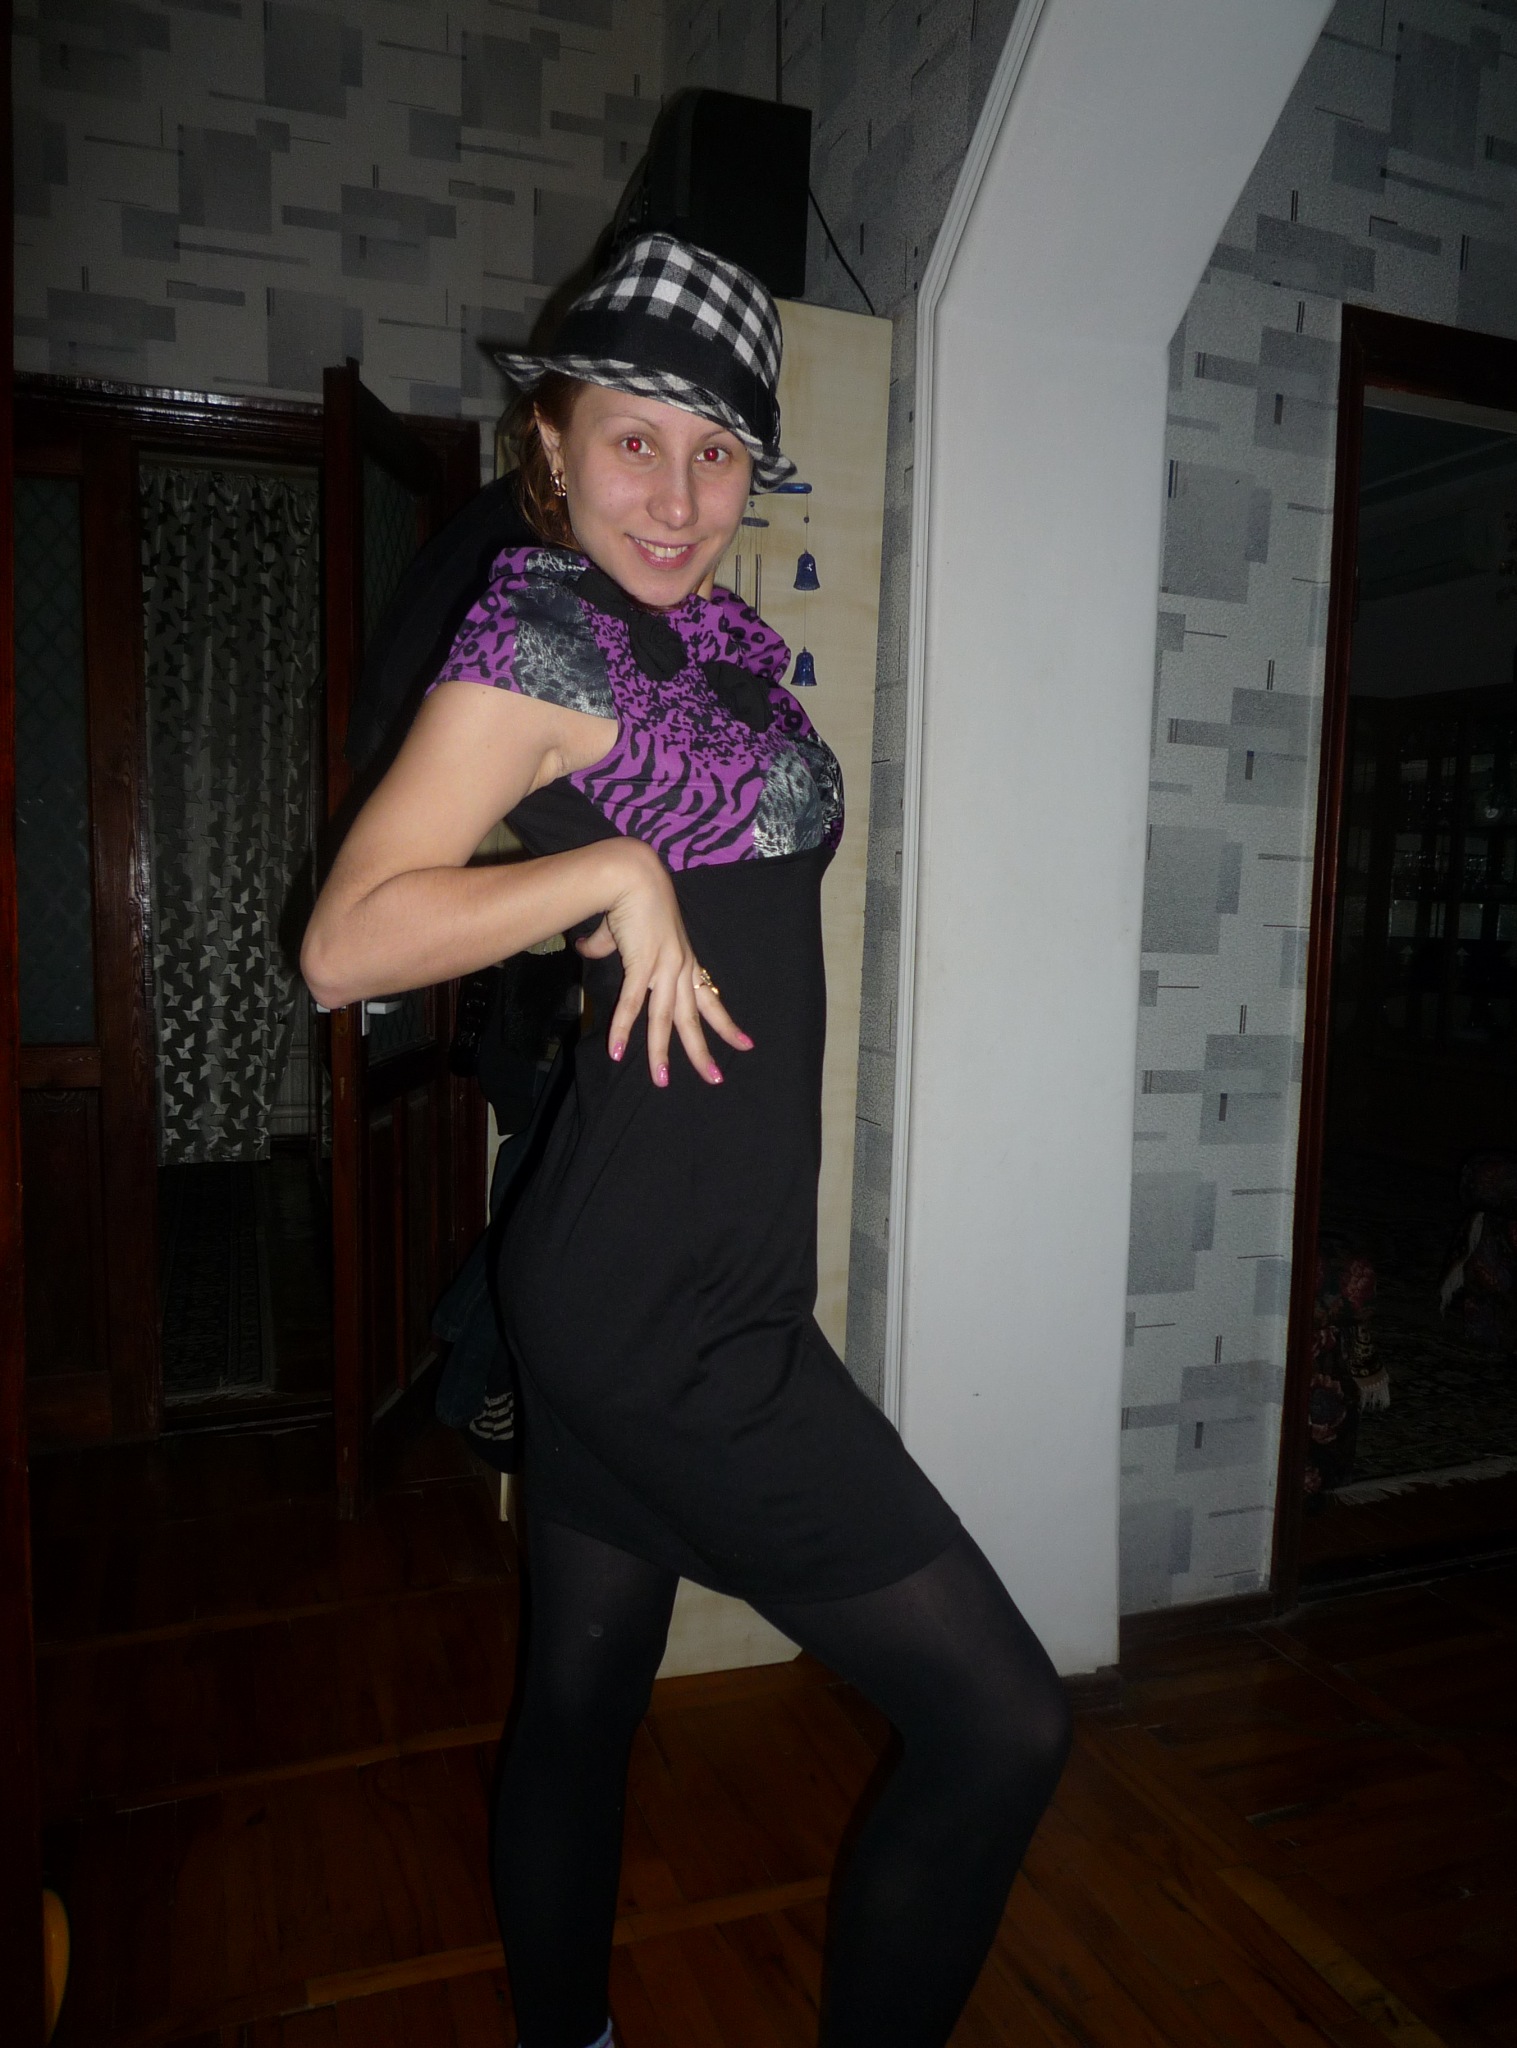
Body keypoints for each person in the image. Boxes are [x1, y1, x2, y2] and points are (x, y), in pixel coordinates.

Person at [301, 232, 1071, 2048]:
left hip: (649, 1266)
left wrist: (636, 881)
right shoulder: (541, 635)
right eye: (633, 440)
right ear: (551, 443)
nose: (676, 493)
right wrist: (610, 875)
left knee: (581, 1699)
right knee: (1005, 1722)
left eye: (716, 452)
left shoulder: (711, 641)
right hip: (671, 1318)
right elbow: (347, 941)